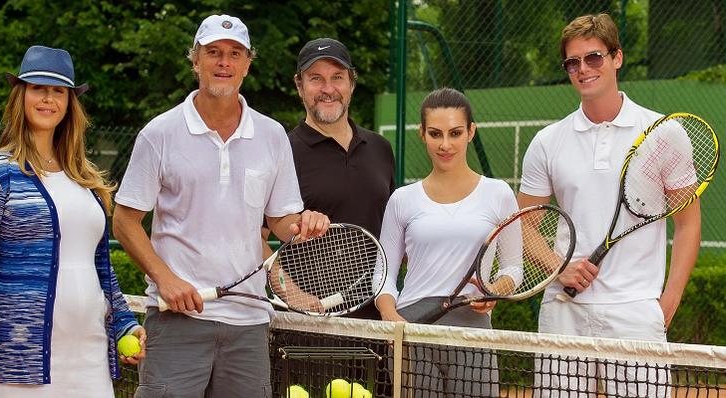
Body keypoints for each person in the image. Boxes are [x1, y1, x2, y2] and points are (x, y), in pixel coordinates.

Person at [112, 14, 329, 397]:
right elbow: (125, 221)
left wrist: (304, 223)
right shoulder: (159, 133)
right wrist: (166, 278)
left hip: (249, 323)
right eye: (213, 52)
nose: (224, 62)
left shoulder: (272, 135)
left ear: (247, 64)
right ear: (195, 60)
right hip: (176, 320)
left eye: (234, 54)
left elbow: (281, 222)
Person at [518, 13, 700, 397]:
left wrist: (666, 303)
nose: (583, 69)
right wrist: (559, 268)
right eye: (573, 62)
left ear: (617, 58)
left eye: (594, 57)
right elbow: (523, 224)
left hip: (635, 312)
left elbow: (688, 224)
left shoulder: (664, 134)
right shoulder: (548, 141)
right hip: (563, 311)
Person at [0, 45, 145, 398]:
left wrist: (124, 322)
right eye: (38, 89)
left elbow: (100, 267)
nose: (48, 99)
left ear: (69, 103)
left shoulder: (86, 179)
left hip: (90, 355)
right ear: (21, 96)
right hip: (20, 357)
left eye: (58, 91)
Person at [376, 87, 514, 397]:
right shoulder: (402, 200)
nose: (446, 144)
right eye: (436, 134)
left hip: (472, 328)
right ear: (422, 133)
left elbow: (513, 269)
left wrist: (495, 291)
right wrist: (392, 320)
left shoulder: (499, 194)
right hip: (411, 328)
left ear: (471, 132)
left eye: (455, 133)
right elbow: (383, 275)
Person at [274, 37, 396, 319]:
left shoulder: (380, 149)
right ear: (299, 85)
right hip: (307, 327)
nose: (328, 89)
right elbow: (255, 241)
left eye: (337, 78)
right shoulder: (281, 151)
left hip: (375, 323)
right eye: (316, 78)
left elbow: (394, 237)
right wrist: (295, 296)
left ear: (351, 83)